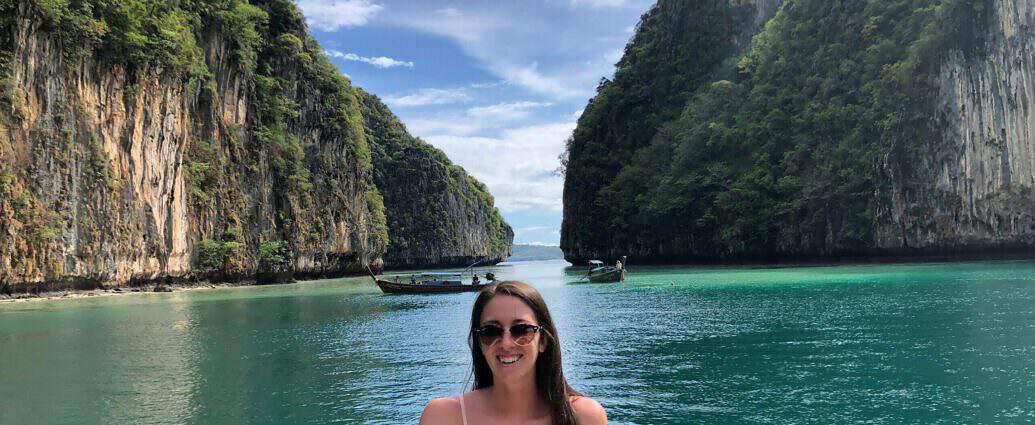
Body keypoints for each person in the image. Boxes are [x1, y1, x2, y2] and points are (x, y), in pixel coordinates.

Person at [419, 281, 606, 425]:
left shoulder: (584, 417)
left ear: (543, 341)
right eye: (491, 331)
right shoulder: (444, 416)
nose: (506, 343)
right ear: (480, 344)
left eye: (521, 330)